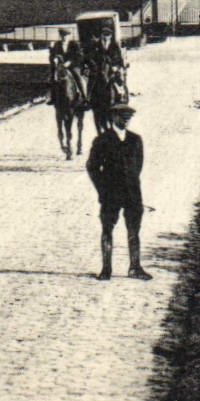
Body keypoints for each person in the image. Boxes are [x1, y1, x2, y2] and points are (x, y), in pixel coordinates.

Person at [86, 103, 150, 280]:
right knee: (107, 229)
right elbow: (92, 167)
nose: (126, 119)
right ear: (113, 117)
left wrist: (131, 182)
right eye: (122, 115)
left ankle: (135, 267)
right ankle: (106, 269)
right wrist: (102, 188)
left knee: (134, 230)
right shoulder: (102, 140)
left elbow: (138, 165)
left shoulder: (136, 140)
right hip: (110, 194)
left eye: (128, 116)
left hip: (132, 193)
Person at [48, 28, 84, 99]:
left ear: (69, 36)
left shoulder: (74, 44)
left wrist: (70, 62)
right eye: (62, 36)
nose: (64, 37)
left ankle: (83, 95)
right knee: (53, 77)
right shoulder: (57, 44)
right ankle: (52, 96)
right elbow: (52, 55)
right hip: (61, 66)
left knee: (77, 76)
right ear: (60, 36)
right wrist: (54, 59)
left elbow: (79, 56)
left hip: (72, 65)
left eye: (66, 36)